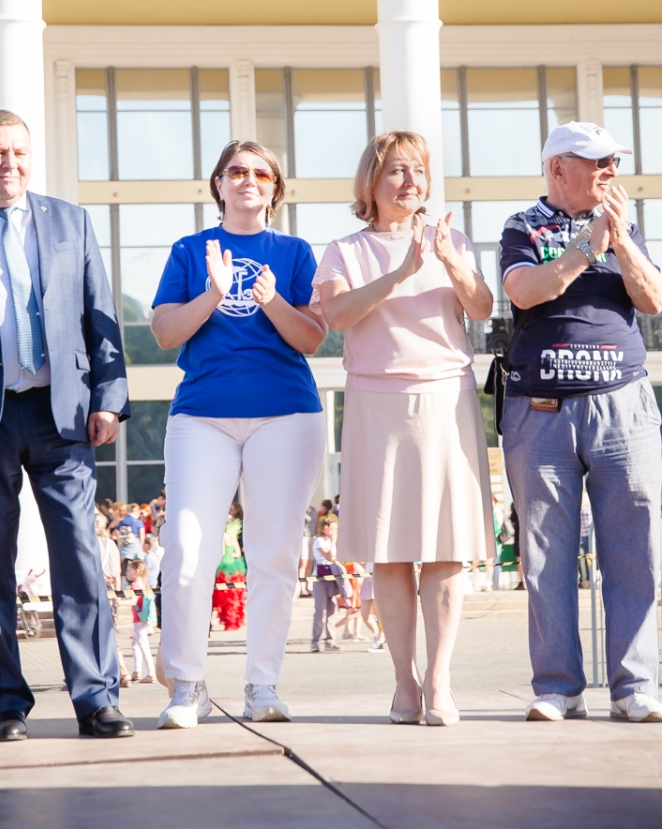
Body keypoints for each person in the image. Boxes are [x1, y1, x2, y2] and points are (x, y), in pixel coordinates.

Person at [0, 109, 133, 742]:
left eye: (19, 153)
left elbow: (102, 316)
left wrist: (110, 398)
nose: (9, 165)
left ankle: (97, 697)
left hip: (61, 413)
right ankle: (5, 703)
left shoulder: (70, 221)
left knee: (80, 558)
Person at [314, 130, 495, 727]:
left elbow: (482, 307)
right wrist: (401, 271)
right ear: (372, 181)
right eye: (395, 170)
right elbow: (336, 316)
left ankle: (440, 683)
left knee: (445, 550)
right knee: (389, 553)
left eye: (417, 170)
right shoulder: (343, 250)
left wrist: (446, 262)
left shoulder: (453, 239)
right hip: (376, 401)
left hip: (445, 398)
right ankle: (403, 683)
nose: (409, 181)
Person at [150, 140, 327, 727]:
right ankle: (188, 686)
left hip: (285, 415)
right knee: (187, 550)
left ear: (275, 188)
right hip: (203, 415)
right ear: (218, 184)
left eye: (260, 172)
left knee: (273, 555)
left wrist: (271, 299)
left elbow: (311, 338)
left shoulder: (295, 251)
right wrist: (214, 294)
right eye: (236, 171)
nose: (248, 179)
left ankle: (263, 686)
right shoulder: (190, 249)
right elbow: (165, 332)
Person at [499, 120, 662, 724]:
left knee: (636, 546)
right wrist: (586, 247)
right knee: (545, 553)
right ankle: (558, 686)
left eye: (613, 162)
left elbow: (653, 299)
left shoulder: (626, 227)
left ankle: (635, 685)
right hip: (540, 408)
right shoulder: (521, 226)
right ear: (557, 169)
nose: (609, 172)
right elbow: (525, 291)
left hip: (622, 403)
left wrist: (619, 242)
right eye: (596, 162)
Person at [95, 512, 131, 688]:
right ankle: (122, 672)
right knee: (110, 632)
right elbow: (117, 571)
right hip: (110, 588)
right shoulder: (111, 544)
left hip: (95, 588)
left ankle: (120, 672)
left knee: (96, 633)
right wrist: (117, 593)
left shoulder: (90, 544)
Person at [310, 517, 341, 653]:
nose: (333, 531)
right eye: (331, 528)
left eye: (335, 528)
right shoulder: (319, 541)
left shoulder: (333, 542)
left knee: (332, 609)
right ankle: (315, 641)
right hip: (320, 578)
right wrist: (333, 542)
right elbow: (329, 557)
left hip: (332, 577)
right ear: (324, 528)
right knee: (320, 610)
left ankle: (330, 639)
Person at [127, 559, 157, 683]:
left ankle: (151, 673)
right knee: (135, 644)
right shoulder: (145, 584)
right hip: (144, 618)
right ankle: (137, 671)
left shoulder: (134, 585)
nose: (126, 572)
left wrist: (119, 602)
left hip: (139, 619)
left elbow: (133, 601)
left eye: (129, 570)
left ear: (136, 572)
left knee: (143, 645)